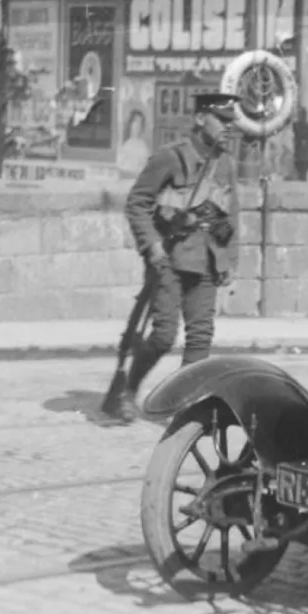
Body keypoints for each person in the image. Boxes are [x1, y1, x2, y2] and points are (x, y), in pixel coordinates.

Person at [113, 91, 241, 423]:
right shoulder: (170, 158)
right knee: (163, 336)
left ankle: (185, 405)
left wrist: (227, 262)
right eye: (222, 120)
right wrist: (152, 246)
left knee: (200, 338)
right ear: (200, 119)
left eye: (231, 121)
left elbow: (227, 218)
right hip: (168, 258)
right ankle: (128, 388)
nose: (229, 127)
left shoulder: (224, 163)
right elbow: (137, 204)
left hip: (206, 261)